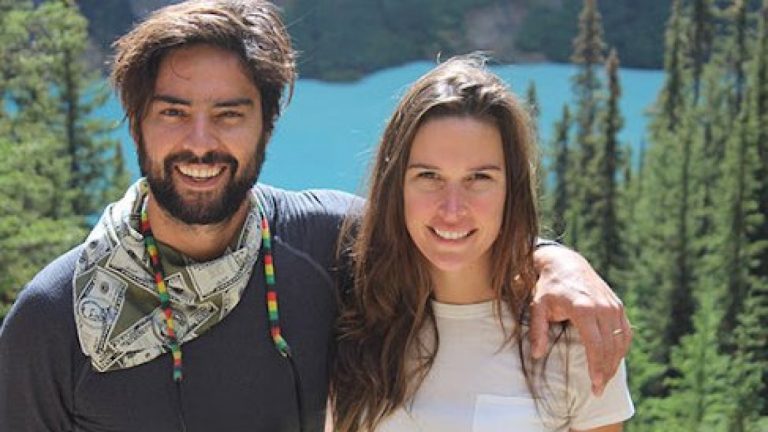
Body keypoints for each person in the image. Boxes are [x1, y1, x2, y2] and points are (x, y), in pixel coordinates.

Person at [0, 1, 630, 431]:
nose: (200, 142)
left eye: (230, 114)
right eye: (172, 112)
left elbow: (444, 227)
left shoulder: (322, 242)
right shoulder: (54, 319)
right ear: (136, 122)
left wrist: (553, 259)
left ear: (267, 125)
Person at [331, 56, 634, 431]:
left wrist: (557, 258)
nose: (452, 209)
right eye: (429, 176)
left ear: (511, 190)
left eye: (479, 178)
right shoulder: (347, 318)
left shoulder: (573, 336)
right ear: (396, 187)